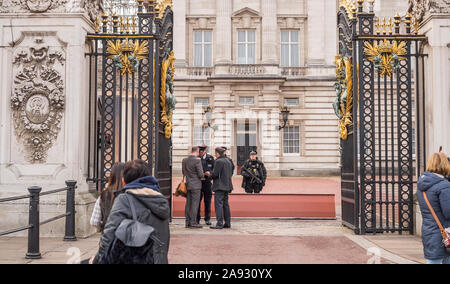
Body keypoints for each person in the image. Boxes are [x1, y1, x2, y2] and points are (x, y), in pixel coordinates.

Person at [91, 159, 170, 264]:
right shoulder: (161, 200)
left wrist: (97, 260)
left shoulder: (124, 199)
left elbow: (109, 234)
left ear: (124, 181)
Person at [417, 152, 450, 264]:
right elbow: (448, 212)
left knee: (433, 260)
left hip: (429, 230)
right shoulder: (443, 185)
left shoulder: (422, 185)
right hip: (443, 233)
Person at [90, 162, 125, 232]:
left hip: (108, 237)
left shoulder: (103, 194)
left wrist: (103, 229)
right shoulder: (129, 193)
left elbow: (94, 221)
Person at [210, 147, 233, 229]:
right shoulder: (228, 160)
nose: (215, 155)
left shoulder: (218, 161)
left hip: (219, 186)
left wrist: (209, 175)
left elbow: (215, 174)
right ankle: (227, 223)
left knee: (218, 205)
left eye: (215, 153)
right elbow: (231, 172)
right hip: (227, 185)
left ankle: (219, 223)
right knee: (225, 205)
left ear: (218, 153)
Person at [182, 146, 204, 228]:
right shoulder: (197, 160)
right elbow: (200, 174)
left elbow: (183, 172)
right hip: (196, 185)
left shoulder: (184, 160)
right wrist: (204, 176)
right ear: (197, 151)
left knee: (188, 204)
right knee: (195, 204)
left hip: (188, 183)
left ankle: (187, 222)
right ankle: (193, 222)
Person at [196, 145, 215, 226]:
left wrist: (210, 174)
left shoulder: (210, 158)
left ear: (205, 151)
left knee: (207, 202)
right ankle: (197, 219)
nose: (200, 153)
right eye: (199, 152)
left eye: (202, 152)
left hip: (207, 182)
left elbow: (214, 170)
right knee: (197, 202)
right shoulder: (196, 158)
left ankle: (207, 218)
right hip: (198, 182)